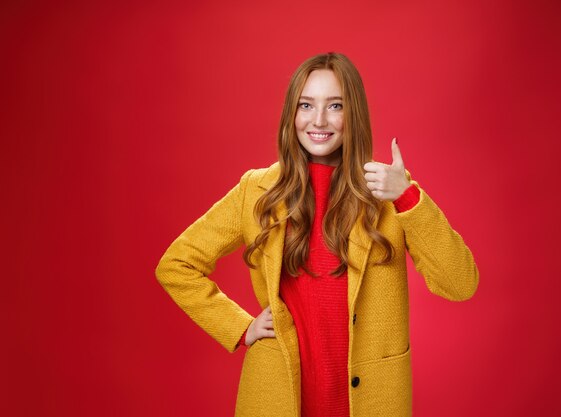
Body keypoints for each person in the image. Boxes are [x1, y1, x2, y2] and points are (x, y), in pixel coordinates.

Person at [155, 52, 479, 417]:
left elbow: (460, 282)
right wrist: (240, 327)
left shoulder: (388, 193)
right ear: (291, 113)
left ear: (352, 113)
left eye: (335, 105)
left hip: (371, 402)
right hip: (277, 399)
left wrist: (406, 195)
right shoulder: (258, 190)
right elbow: (176, 265)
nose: (319, 120)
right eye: (306, 105)